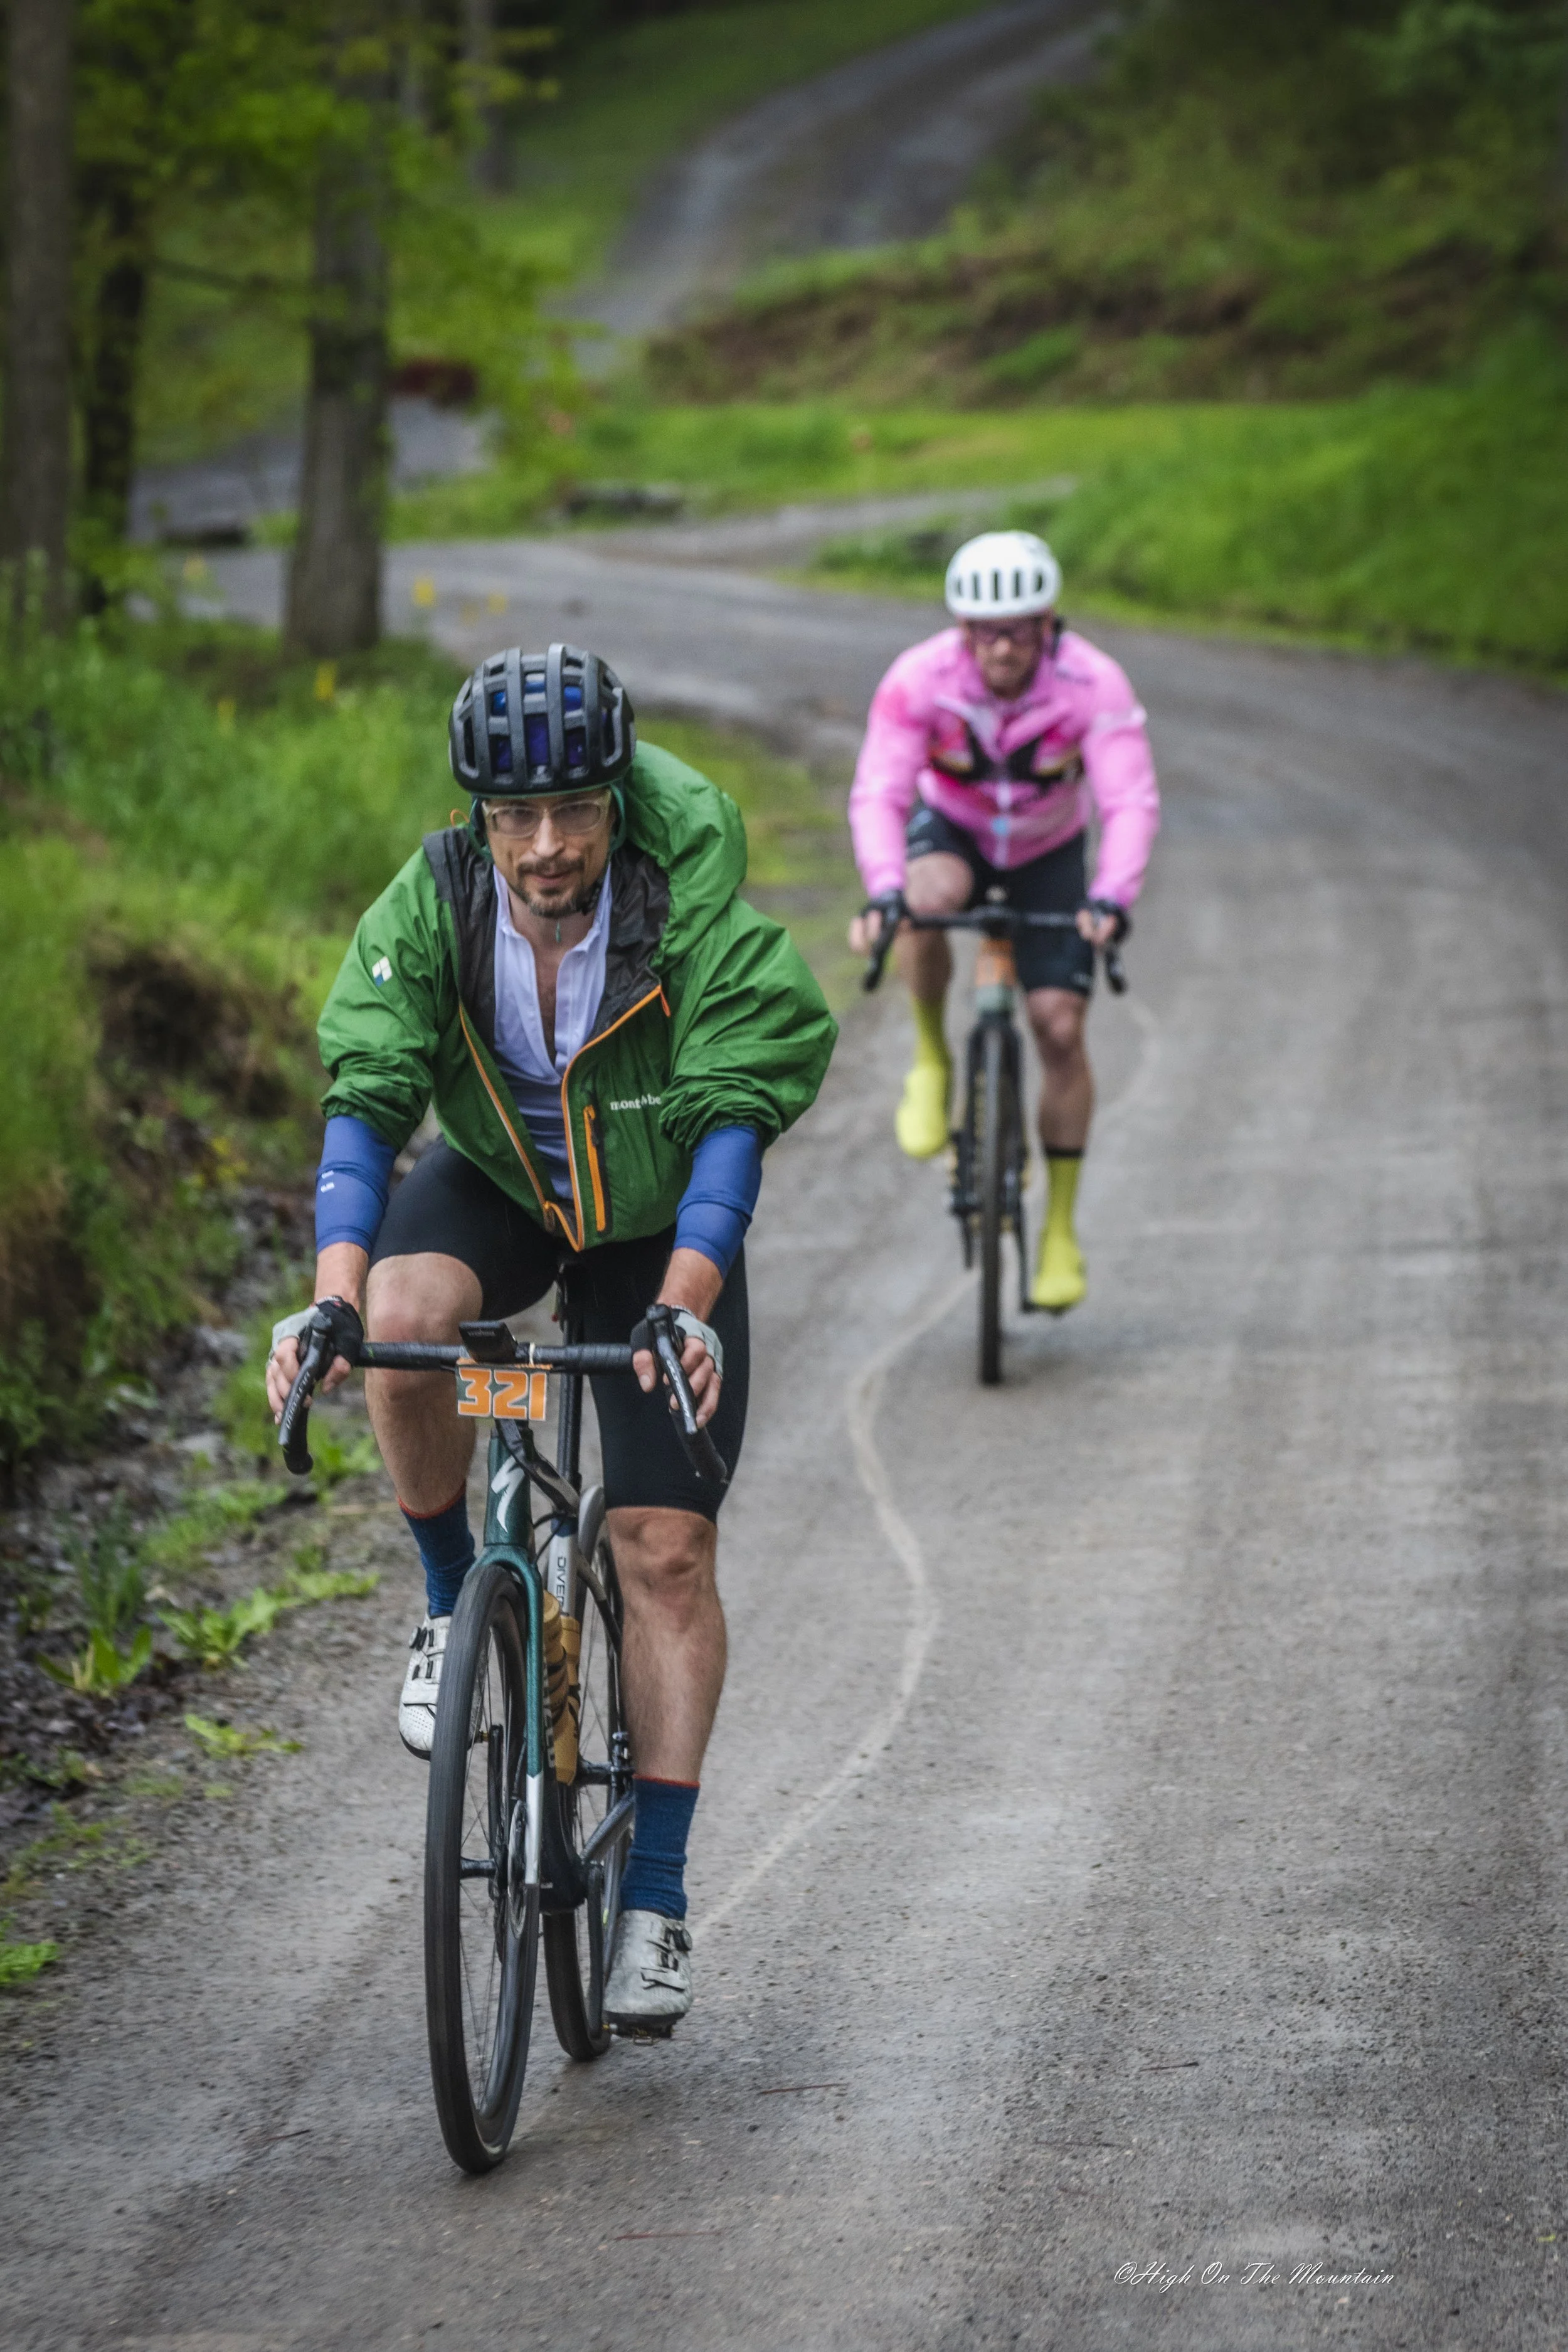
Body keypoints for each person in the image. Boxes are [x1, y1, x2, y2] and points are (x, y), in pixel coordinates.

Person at [267, 645, 835, 2032]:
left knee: (661, 1549)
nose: (544, 846)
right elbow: (368, 1094)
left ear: (615, 802)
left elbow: (731, 1112)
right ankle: (455, 1595)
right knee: (403, 1320)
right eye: (513, 817)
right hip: (509, 1186)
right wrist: (331, 1297)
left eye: (574, 810)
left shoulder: (679, 897)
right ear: (476, 813)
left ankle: (654, 1901)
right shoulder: (440, 894)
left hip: (651, 1214)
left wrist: (682, 1306)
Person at [847, 531, 1158, 1312]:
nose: (1000, 649)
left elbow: (1127, 801)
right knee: (921, 898)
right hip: (953, 833)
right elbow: (880, 792)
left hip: (1048, 849)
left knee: (1058, 1027)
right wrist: (883, 890)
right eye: (983, 632)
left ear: (1048, 623)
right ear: (961, 629)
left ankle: (1057, 1227)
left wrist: (1111, 897)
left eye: (1016, 630)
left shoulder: (1094, 682)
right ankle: (932, 1057)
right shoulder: (919, 679)